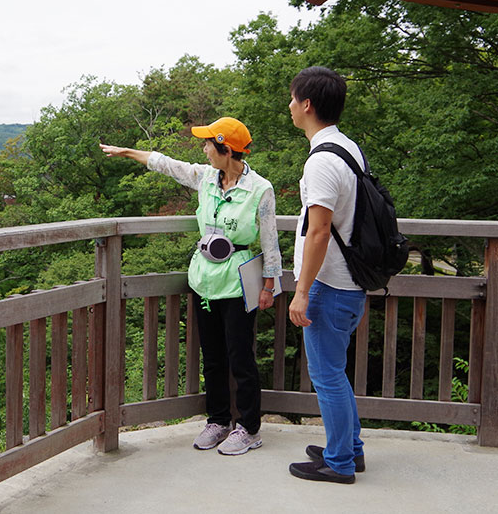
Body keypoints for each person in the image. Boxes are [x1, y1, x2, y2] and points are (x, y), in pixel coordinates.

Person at [100, 116, 282, 456]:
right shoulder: (206, 178)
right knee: (212, 356)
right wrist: (128, 152)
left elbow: (270, 242)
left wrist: (269, 285)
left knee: (240, 356)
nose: (203, 149)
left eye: (208, 144)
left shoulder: (260, 189)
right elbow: (167, 165)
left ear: (226, 149)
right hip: (204, 280)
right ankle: (218, 420)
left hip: (240, 282)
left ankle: (249, 427)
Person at [287, 66, 367, 485]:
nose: (289, 105)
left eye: (292, 98)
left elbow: (318, 230)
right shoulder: (349, 148)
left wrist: (301, 293)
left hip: (329, 285)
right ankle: (350, 449)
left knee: (327, 377)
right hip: (349, 283)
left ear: (307, 105)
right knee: (336, 372)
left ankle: (339, 463)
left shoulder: (322, 160)